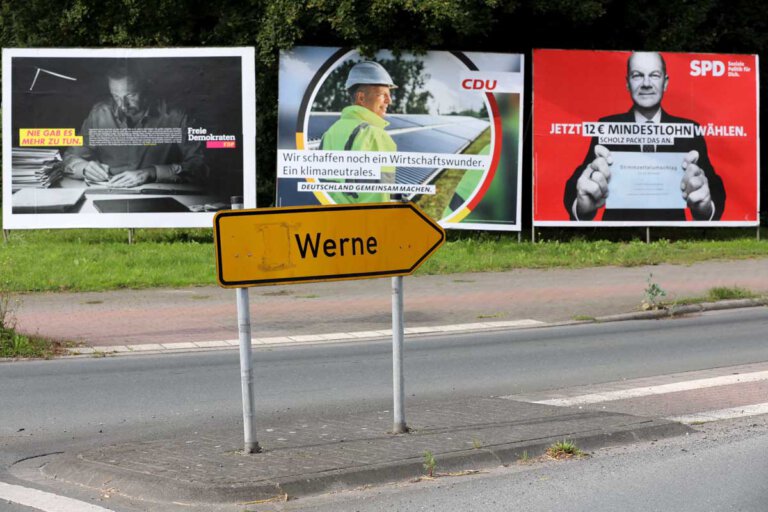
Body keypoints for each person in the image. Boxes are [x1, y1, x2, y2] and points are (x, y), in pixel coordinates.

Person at [564, 51, 725, 221]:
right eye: (637, 75)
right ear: (628, 83)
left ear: (665, 83)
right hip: (618, 235)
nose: (646, 84)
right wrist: (582, 207)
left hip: (673, 234)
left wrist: (706, 208)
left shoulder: (690, 130)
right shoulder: (606, 127)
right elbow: (578, 184)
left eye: (654, 75)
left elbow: (713, 187)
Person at [63, 61, 208, 188]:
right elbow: (70, 157)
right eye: (116, 97)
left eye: (131, 96)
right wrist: (84, 168)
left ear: (146, 86)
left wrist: (152, 173)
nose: (123, 106)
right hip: (107, 193)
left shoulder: (176, 116)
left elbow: (200, 165)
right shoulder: (99, 114)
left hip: (159, 198)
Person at [319, 60, 398, 203]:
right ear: (361, 97)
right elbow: (378, 197)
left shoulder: (329, 133)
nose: (389, 101)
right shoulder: (373, 134)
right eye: (382, 94)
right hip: (364, 222)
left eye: (389, 94)